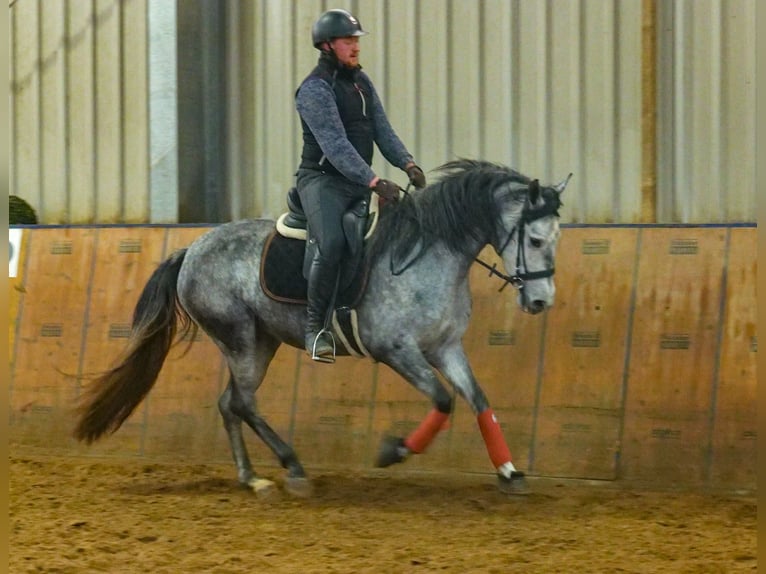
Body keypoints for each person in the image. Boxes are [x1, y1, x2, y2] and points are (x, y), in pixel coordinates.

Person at [295, 8, 426, 363]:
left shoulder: (361, 83)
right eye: (348, 41)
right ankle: (315, 329)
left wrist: (408, 163)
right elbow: (335, 146)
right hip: (321, 182)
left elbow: (382, 129)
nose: (355, 47)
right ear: (327, 45)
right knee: (334, 242)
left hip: (355, 184)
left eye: (356, 40)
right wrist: (373, 180)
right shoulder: (313, 90)